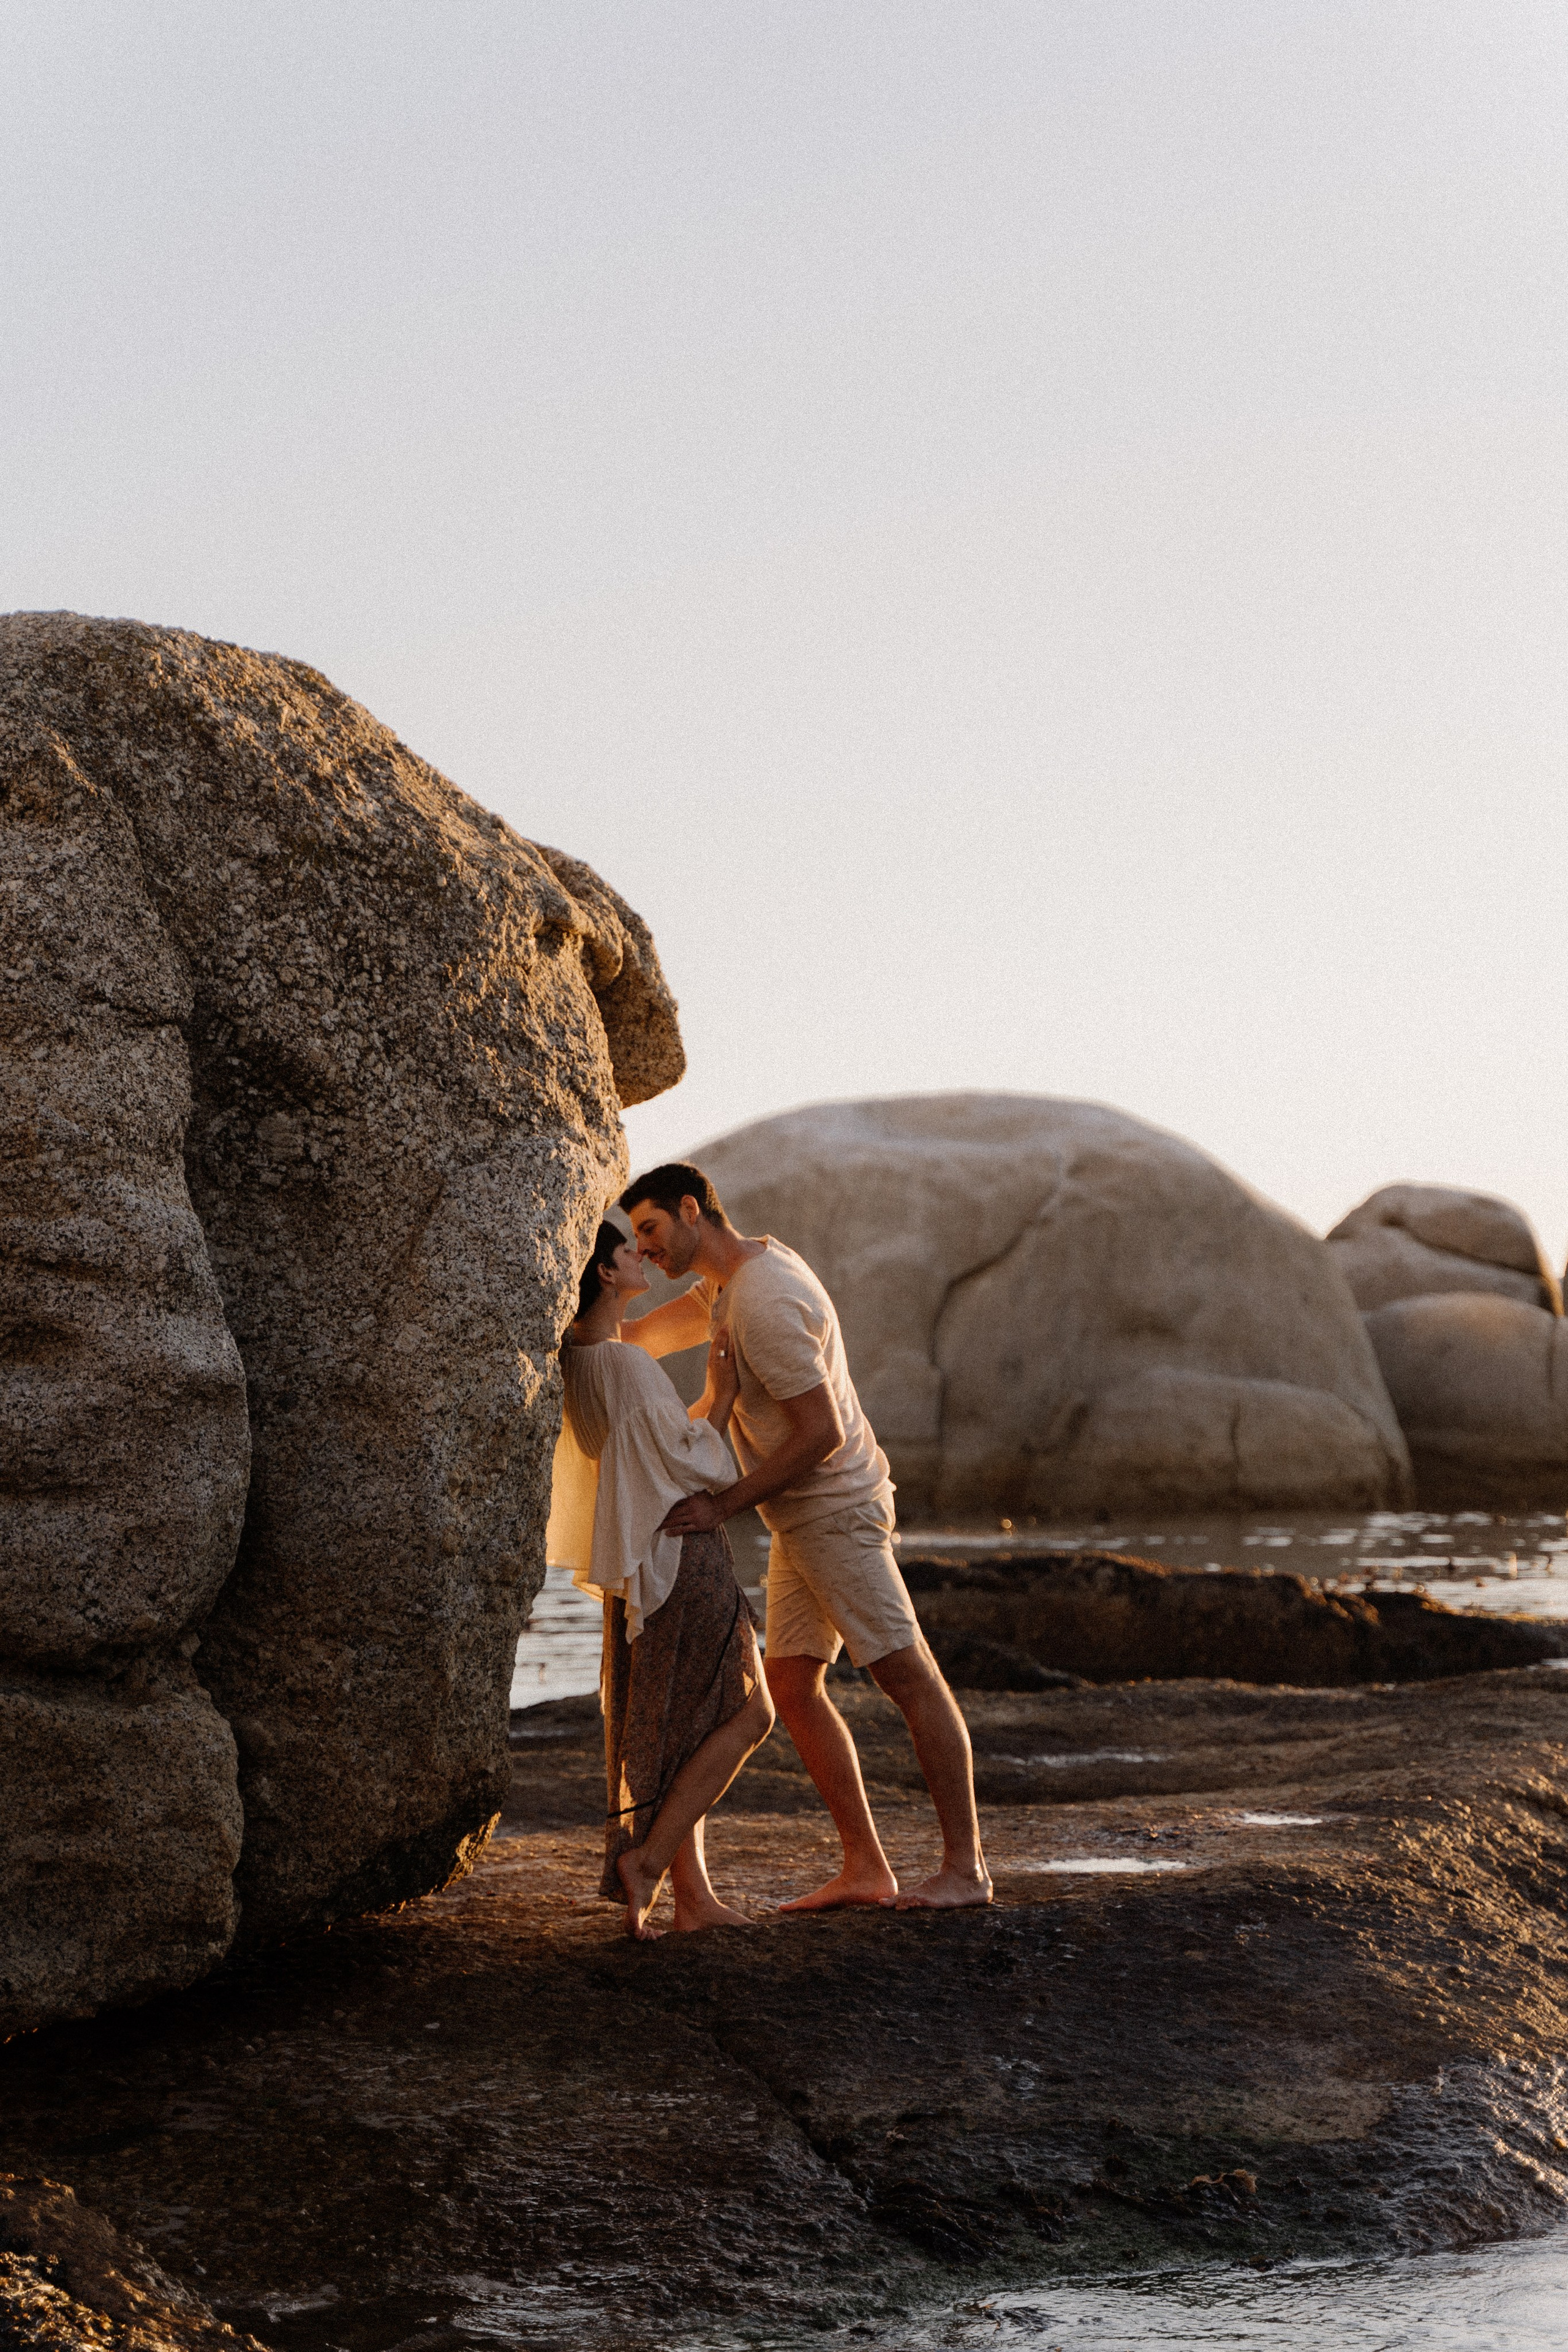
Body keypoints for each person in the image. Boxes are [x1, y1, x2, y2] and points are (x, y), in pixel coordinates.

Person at [619, 1164, 992, 1913]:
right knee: (791, 1686)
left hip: (835, 1511)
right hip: (797, 1517)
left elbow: (818, 1433)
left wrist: (721, 1505)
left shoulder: (764, 1300)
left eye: (652, 1230)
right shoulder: (733, 1282)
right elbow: (638, 1339)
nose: (647, 1248)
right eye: (635, 1239)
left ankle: (966, 1870)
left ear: (692, 1211)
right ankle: (866, 1868)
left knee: (906, 1676)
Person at [547, 1218, 775, 1940]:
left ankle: (694, 1899)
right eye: (628, 1249)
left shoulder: (582, 1362)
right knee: (751, 1715)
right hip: (681, 1560)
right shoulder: (625, 1366)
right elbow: (695, 1463)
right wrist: (725, 1391)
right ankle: (647, 1862)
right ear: (607, 1275)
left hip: (642, 1564)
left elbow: (657, 1448)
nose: (642, 1255)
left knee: (678, 1725)